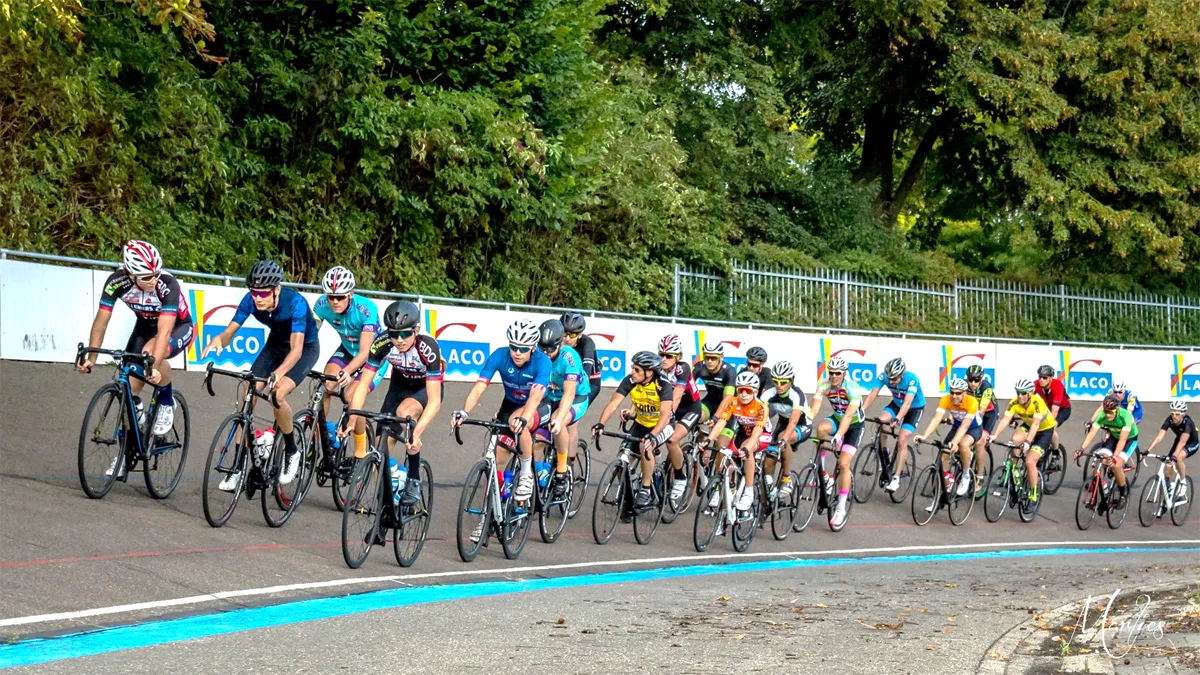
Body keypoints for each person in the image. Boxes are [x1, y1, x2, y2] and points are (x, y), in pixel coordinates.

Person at [79, 241, 195, 477]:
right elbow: (102, 321)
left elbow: (163, 331)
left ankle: (166, 400)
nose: (153, 279)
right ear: (130, 273)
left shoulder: (167, 285)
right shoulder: (116, 282)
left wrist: (153, 364)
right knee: (127, 394)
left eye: (156, 273)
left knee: (151, 354)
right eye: (146, 276)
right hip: (143, 327)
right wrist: (91, 356)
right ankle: (124, 453)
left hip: (177, 327)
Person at [201, 260, 320, 488]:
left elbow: (295, 352)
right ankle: (237, 466)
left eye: (263, 293)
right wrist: (219, 340)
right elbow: (230, 332)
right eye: (254, 292)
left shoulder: (295, 303)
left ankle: (292, 450)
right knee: (248, 392)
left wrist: (278, 374)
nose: (258, 298)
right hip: (275, 345)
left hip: (304, 349)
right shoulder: (251, 300)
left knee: (278, 393)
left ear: (276, 289)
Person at [451, 319, 551, 525]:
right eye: (513, 347)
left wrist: (524, 418)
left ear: (533, 348)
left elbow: (535, 397)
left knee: (517, 421)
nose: (517, 352)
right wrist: (465, 411)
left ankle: (525, 475)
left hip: (538, 406)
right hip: (510, 404)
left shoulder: (543, 362)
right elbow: (479, 387)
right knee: (497, 457)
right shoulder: (499, 355)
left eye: (523, 349)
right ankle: (497, 506)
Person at [347, 300, 442, 506]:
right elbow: (362, 385)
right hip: (399, 385)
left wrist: (416, 433)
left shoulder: (428, 347)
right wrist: (352, 417)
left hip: (424, 389)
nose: (399, 340)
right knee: (380, 449)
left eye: (405, 334)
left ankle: (414, 477)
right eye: (394, 334)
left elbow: (435, 400)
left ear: (416, 330)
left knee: (405, 413)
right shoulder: (382, 343)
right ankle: (387, 505)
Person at [594, 352, 676, 510]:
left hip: (663, 425)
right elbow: (613, 403)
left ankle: (645, 488)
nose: (632, 372)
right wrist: (600, 424)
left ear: (649, 372)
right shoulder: (630, 381)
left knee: (645, 446)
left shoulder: (662, 384)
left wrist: (652, 436)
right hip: (641, 423)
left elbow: (665, 416)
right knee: (622, 459)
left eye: (637, 370)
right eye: (633, 368)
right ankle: (630, 494)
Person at [312, 266, 380, 450]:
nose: (334, 301)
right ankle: (325, 433)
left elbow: (366, 352)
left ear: (350, 293)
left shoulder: (366, 309)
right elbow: (309, 336)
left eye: (340, 297)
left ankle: (361, 450)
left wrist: (347, 371)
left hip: (374, 356)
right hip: (348, 349)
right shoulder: (320, 306)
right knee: (326, 384)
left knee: (351, 397)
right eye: (330, 296)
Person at [808, 356, 867, 529]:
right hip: (836, 418)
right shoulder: (823, 385)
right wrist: (806, 418)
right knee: (820, 429)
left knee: (843, 463)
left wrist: (839, 435)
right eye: (831, 373)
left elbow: (849, 416)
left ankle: (841, 507)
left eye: (837, 374)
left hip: (854, 426)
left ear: (844, 374)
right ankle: (824, 475)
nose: (834, 376)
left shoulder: (853, 388)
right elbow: (815, 408)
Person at [537, 319, 591, 500]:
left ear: (560, 344)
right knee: (537, 435)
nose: (546, 353)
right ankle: (538, 472)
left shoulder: (570, 357)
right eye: (542, 348)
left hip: (576, 397)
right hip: (550, 396)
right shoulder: (537, 353)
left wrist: (559, 419)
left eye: (550, 349)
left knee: (557, 422)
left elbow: (569, 394)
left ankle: (562, 471)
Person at [705, 371, 771, 512]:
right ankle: (724, 486)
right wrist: (708, 440)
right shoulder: (733, 402)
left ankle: (749, 492)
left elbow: (757, 432)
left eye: (748, 391)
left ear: (755, 392)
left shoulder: (761, 407)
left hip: (761, 435)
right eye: (741, 390)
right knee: (724, 451)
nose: (744, 394)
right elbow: (721, 423)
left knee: (746, 449)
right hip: (742, 433)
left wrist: (748, 449)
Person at [861, 357, 926, 494]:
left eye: (894, 379)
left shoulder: (912, 379)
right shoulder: (884, 376)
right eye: (889, 378)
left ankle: (896, 477)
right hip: (896, 404)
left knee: (902, 438)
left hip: (914, 408)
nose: (890, 382)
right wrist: (861, 411)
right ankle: (885, 454)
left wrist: (897, 419)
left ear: (902, 375)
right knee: (881, 422)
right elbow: (873, 394)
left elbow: (907, 403)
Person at [990, 379, 1055, 505]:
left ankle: (1034, 492)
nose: (1020, 396)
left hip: (1044, 430)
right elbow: (1005, 420)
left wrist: (1028, 442)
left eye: (1023, 393)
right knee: (1015, 439)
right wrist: (994, 435)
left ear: (1031, 393)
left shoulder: (1037, 403)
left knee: (1030, 462)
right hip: (1028, 425)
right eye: (1018, 392)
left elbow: (1036, 424)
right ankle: (1014, 469)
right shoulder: (1014, 402)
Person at [913, 378, 979, 498]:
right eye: (952, 392)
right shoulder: (945, 399)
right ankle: (948, 478)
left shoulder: (972, 402)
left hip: (973, 428)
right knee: (944, 453)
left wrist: (954, 442)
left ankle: (966, 474)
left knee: (963, 445)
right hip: (957, 426)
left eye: (958, 393)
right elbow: (937, 419)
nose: (954, 395)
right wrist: (924, 436)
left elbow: (965, 426)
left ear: (965, 393)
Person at [1077, 393, 1140, 509]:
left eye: (1110, 412)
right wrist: (1081, 449)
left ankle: (1123, 494)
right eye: (1106, 412)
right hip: (1114, 437)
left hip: (1129, 439)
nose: (1107, 415)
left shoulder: (1125, 416)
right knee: (1100, 460)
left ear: (1116, 409)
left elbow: (1123, 439)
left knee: (1116, 465)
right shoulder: (1102, 415)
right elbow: (1092, 434)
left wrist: (1115, 457)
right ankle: (1099, 492)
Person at [758, 360, 810, 500]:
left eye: (783, 382)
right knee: (769, 457)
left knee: (782, 439)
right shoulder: (769, 393)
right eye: (776, 381)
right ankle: (767, 499)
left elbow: (793, 421)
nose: (779, 386)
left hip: (801, 424)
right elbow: (760, 416)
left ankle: (787, 479)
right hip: (782, 422)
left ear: (791, 380)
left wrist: (783, 441)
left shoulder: (796, 395)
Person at [658, 334, 701, 504]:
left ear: (678, 357)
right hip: (671, 407)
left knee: (671, 439)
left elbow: (676, 397)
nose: (664, 359)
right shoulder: (657, 368)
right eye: (661, 354)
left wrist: (667, 419)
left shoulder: (683, 369)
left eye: (669, 356)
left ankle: (680, 477)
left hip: (689, 408)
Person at [560, 311, 601, 474]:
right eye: (564, 334)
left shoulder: (587, 344)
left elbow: (585, 371)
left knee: (570, 421)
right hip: (565, 382)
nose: (567, 339)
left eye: (572, 335)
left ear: (580, 334)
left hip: (588, 384)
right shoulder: (558, 341)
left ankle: (569, 466)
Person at [1143, 400, 1195, 503]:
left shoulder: (1187, 422)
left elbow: (1183, 442)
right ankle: (1165, 500)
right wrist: (1148, 450)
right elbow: (1160, 436)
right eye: (1172, 413)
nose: (1174, 416)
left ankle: (1183, 483)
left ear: (1183, 414)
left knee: (1178, 457)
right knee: (1168, 466)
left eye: (1177, 414)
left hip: (1191, 442)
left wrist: (1175, 457)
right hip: (1179, 440)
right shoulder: (1170, 420)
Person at [965, 365, 997, 484]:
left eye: (976, 380)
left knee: (979, 442)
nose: (973, 383)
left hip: (989, 414)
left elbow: (982, 410)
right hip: (973, 412)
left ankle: (980, 476)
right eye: (970, 380)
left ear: (982, 379)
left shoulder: (986, 387)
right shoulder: (964, 386)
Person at [692, 341, 736, 422]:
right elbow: (686, 386)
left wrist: (716, 417)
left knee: (718, 431)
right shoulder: (699, 367)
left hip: (728, 404)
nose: (709, 361)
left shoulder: (729, 370)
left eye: (714, 358)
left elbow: (728, 398)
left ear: (721, 357)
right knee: (697, 415)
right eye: (707, 357)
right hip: (710, 399)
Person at [1034, 364, 1071, 451]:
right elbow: (1028, 400)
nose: (1041, 380)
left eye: (1044, 377)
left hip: (1063, 409)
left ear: (1051, 378)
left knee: (1050, 427)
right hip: (1048, 408)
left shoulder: (1058, 385)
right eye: (1040, 377)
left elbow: (1054, 411)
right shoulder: (1036, 384)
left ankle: (1055, 453)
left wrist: (1046, 424)